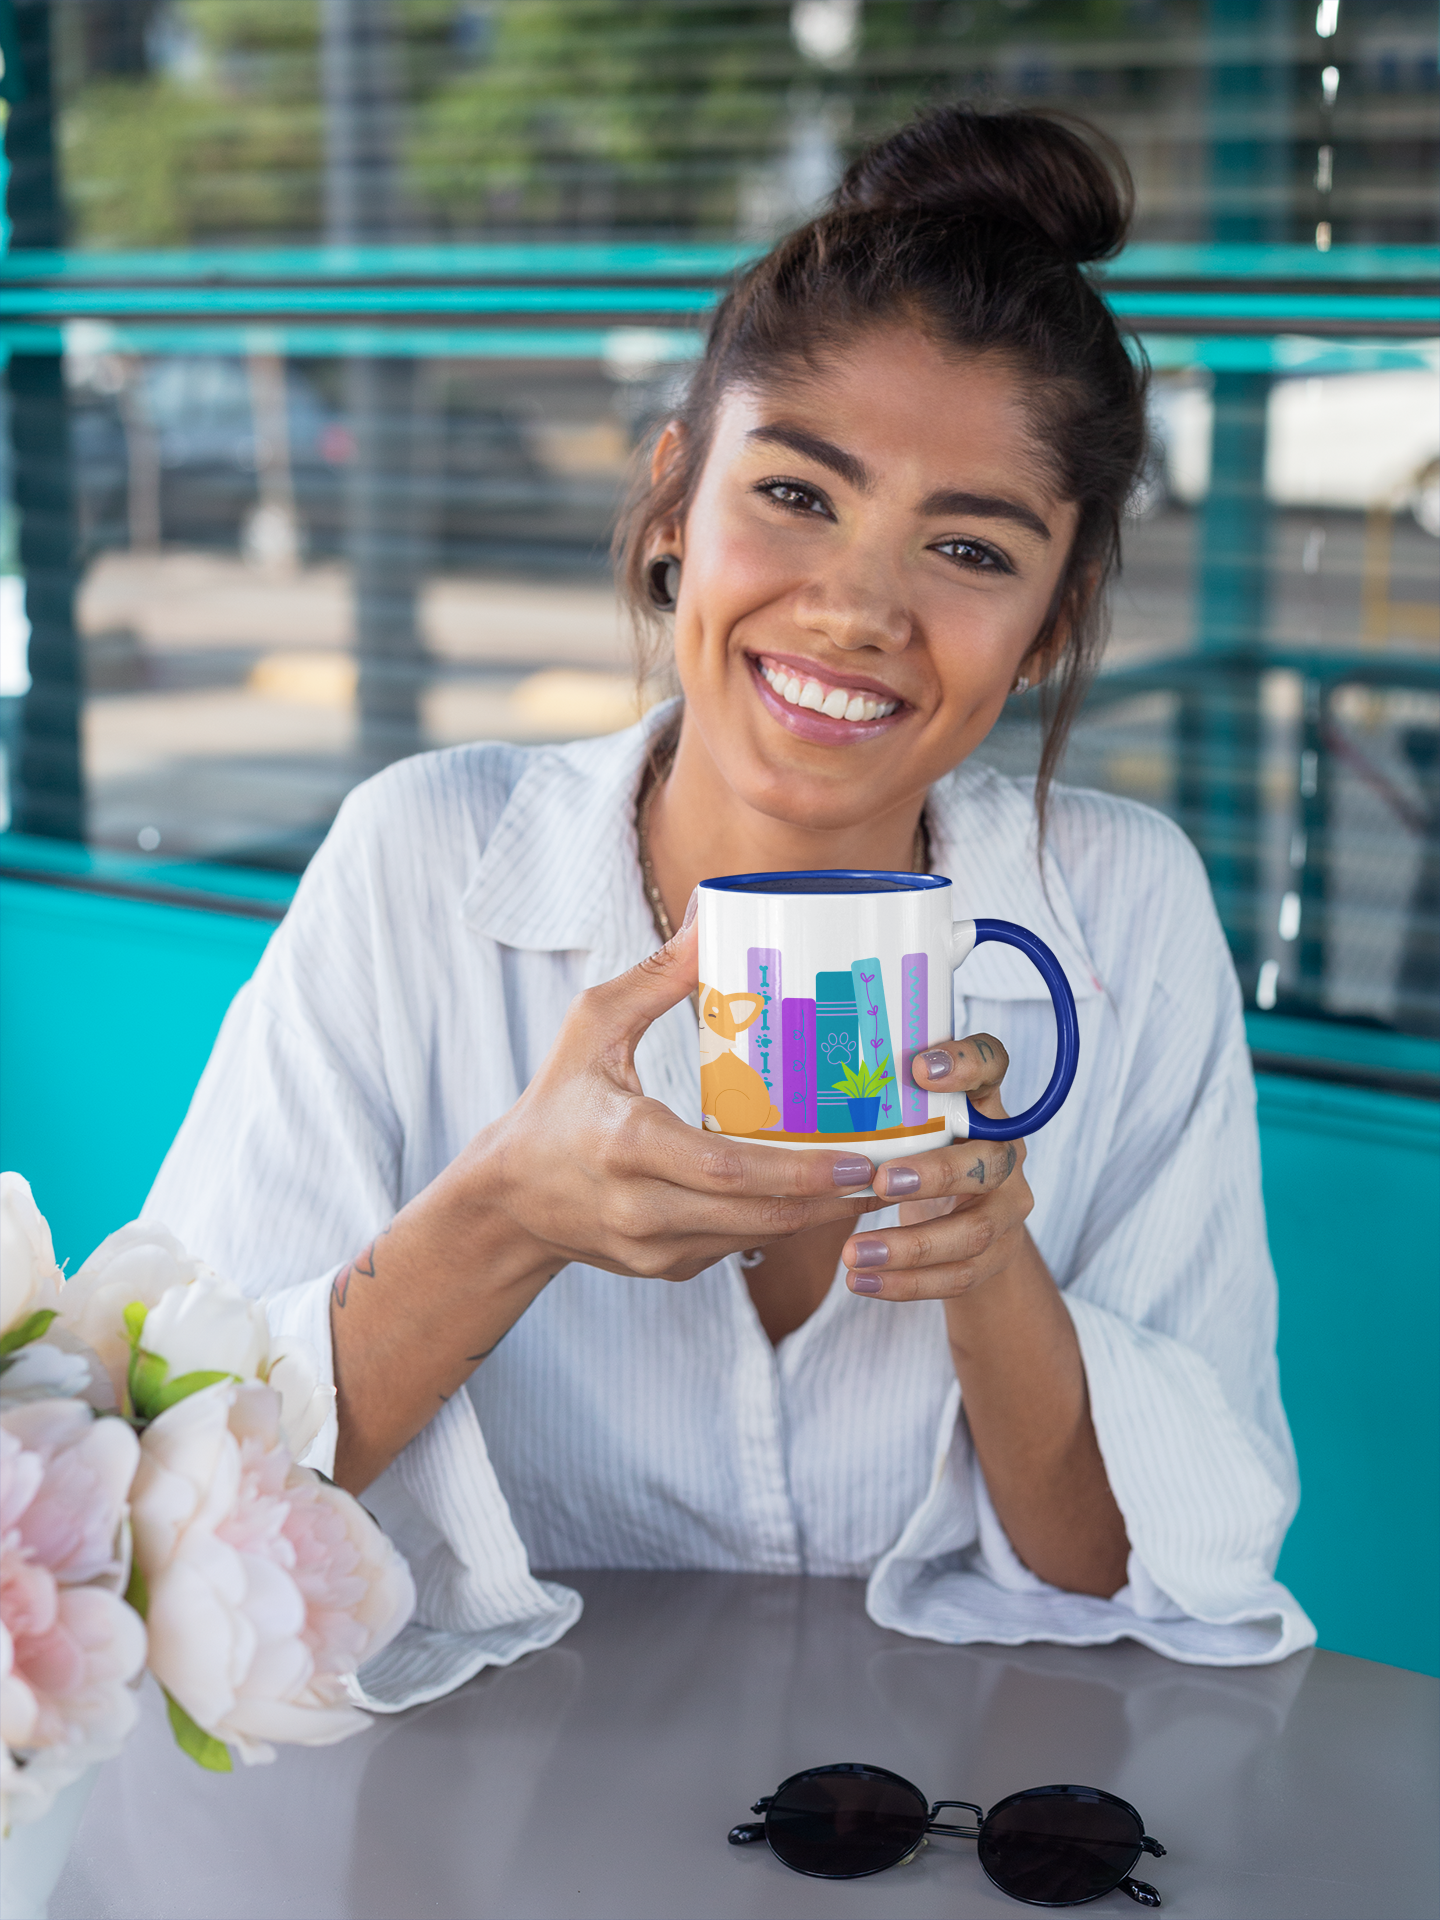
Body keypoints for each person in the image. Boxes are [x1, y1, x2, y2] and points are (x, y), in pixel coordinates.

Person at [149, 105, 1313, 1709]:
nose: (855, 610)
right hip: (493, 1820)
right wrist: (502, 1221)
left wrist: (990, 1272)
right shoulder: (418, 861)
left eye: (970, 548)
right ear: (676, 502)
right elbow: (181, 1488)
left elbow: (1111, 1565)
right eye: (799, 495)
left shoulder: (1124, 908)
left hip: (920, 1819)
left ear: (1056, 622)